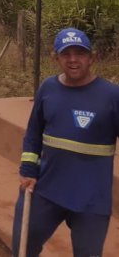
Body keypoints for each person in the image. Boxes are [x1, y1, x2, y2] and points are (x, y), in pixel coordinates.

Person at [11, 28, 119, 257]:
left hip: (92, 199)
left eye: (79, 53)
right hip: (46, 189)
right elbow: (33, 132)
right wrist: (28, 169)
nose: (73, 60)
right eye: (66, 53)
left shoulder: (111, 96)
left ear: (92, 57)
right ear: (55, 57)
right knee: (22, 247)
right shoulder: (48, 88)